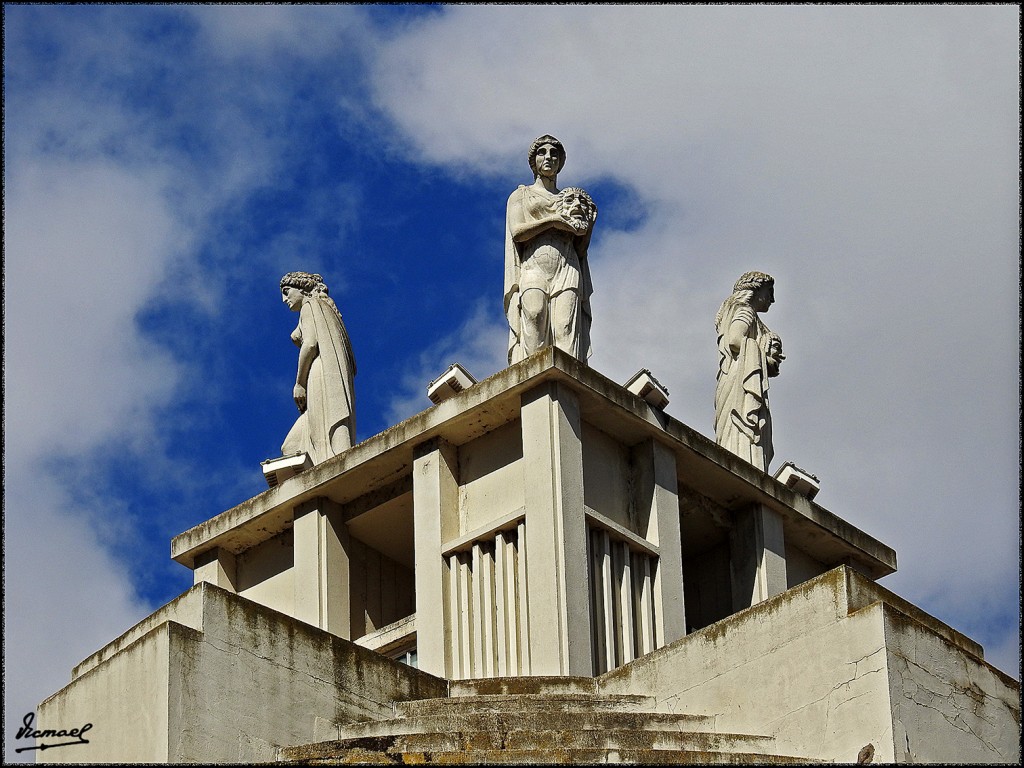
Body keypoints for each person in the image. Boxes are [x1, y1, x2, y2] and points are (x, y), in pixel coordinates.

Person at [504, 135, 597, 365]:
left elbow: (581, 250)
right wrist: (554, 221)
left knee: (566, 330)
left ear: (560, 162)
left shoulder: (571, 200)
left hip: (567, 267)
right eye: (542, 153)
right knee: (534, 318)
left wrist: (589, 228)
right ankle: (535, 390)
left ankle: (566, 390)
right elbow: (517, 232)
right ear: (533, 161)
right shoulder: (521, 195)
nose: (548, 157)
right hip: (534, 265)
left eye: (554, 154)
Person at [279, 271, 356, 464]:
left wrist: (299, 383)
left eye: (287, 291)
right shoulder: (323, 308)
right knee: (293, 445)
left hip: (319, 373)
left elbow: (311, 344)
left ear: (302, 289)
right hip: (326, 373)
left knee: (305, 442)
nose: (284, 299)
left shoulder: (310, 305)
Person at [714, 271, 784, 471]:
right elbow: (735, 340)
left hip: (739, 375)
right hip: (740, 380)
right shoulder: (746, 311)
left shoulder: (746, 313)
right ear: (755, 289)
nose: (772, 299)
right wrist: (763, 355)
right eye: (769, 291)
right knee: (745, 429)